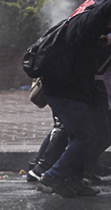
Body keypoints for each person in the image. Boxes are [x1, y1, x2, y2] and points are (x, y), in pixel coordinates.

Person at [39, 0, 111, 198]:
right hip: (63, 88)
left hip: (72, 87)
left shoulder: (88, 26)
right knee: (85, 135)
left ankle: (72, 180)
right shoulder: (89, 22)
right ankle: (53, 175)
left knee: (90, 134)